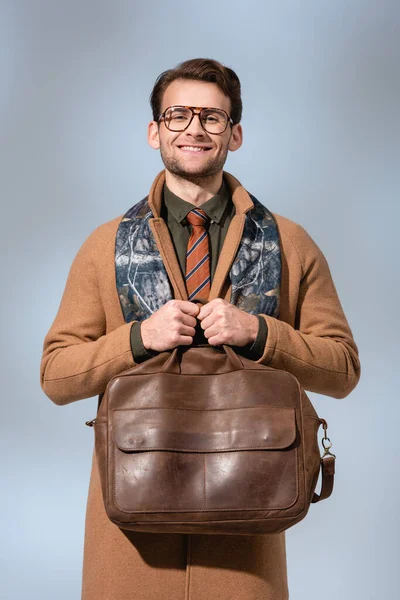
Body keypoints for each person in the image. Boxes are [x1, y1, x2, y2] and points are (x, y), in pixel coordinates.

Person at [40, 58, 361, 600]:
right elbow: (55, 374)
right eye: (179, 115)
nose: (194, 128)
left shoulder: (289, 242)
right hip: (131, 540)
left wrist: (261, 333)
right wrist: (139, 339)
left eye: (212, 117)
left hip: (247, 531)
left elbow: (343, 368)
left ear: (235, 134)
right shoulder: (104, 246)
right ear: (154, 131)